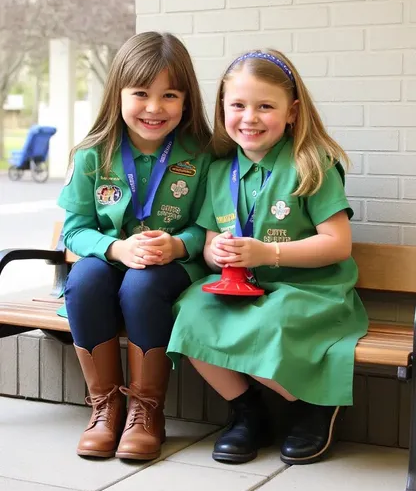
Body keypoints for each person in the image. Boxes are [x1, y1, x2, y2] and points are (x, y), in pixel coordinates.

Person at [167, 49, 369, 466]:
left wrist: (269, 252)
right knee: (189, 309)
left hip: (308, 290)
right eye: (237, 105)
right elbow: (207, 243)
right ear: (222, 108)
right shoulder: (220, 171)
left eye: (265, 106)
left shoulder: (312, 165)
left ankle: (312, 406)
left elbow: (337, 243)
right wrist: (216, 251)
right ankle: (247, 411)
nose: (250, 117)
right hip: (246, 289)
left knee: (267, 322)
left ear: (292, 112)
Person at [57, 32, 212, 460]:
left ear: (186, 100)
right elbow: (73, 232)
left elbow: (211, 229)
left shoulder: (202, 154)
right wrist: (116, 249)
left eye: (170, 95)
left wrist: (178, 245)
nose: (154, 108)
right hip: (113, 262)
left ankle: (147, 411)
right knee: (85, 278)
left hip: (172, 269)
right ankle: (106, 406)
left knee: (141, 287)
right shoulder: (92, 154)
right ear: (118, 94)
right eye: (141, 93)